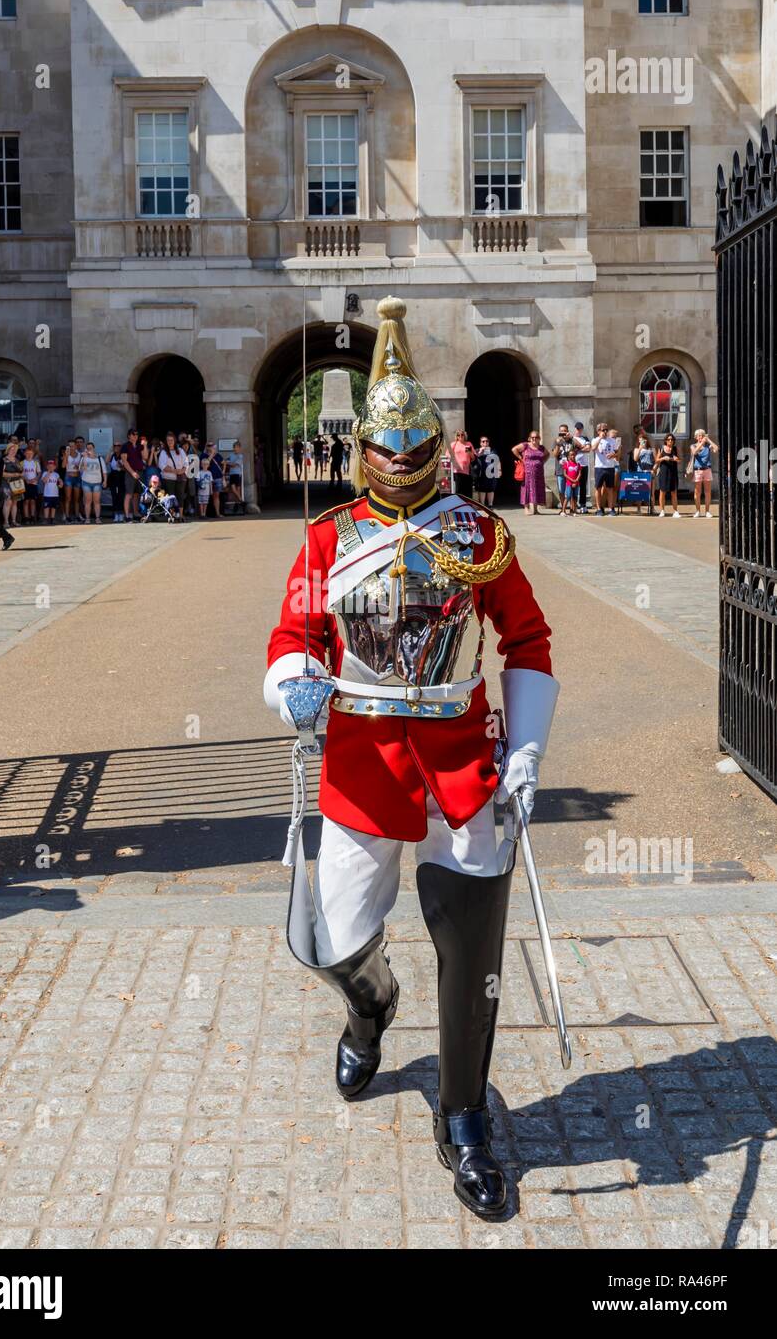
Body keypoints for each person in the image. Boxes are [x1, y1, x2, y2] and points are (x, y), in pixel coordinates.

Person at [265, 298, 559, 1221]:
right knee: (334, 940)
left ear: (437, 446)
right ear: (364, 451)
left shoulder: (479, 536)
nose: (398, 465)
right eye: (383, 450)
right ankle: (371, 1007)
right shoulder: (327, 536)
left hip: (464, 759)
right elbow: (292, 636)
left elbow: (529, 642)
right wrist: (293, 683)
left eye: (413, 448)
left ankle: (464, 1115)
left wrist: (529, 749)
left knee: (472, 950)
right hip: (361, 761)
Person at [512, 430, 549, 514]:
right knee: (527, 488)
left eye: (536, 437)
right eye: (532, 437)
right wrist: (521, 458)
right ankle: (526, 508)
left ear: (539, 439)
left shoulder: (541, 448)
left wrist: (542, 462)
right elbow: (514, 449)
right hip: (527, 471)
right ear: (529, 438)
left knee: (537, 488)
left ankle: (535, 509)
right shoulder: (526, 445)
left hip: (539, 472)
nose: (534, 439)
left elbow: (548, 454)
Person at [158, 431, 188, 520]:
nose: (170, 442)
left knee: (180, 496)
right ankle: (172, 515)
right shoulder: (164, 452)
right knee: (170, 497)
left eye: (171, 440)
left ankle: (181, 515)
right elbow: (162, 465)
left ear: (174, 441)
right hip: (168, 478)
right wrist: (174, 471)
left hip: (180, 477)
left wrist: (182, 470)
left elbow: (186, 462)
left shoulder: (181, 451)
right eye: (168, 440)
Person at [591, 423, 619, 516]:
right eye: (603, 430)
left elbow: (617, 452)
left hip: (610, 467)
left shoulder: (612, 440)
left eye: (606, 430)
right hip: (599, 467)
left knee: (610, 488)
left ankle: (611, 508)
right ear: (598, 431)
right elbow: (593, 448)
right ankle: (599, 508)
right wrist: (600, 438)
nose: (605, 432)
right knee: (598, 488)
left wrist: (613, 455)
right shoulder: (595, 440)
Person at [689, 428, 718, 517]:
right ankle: (698, 510)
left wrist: (708, 440)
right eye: (699, 436)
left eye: (702, 435)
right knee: (697, 491)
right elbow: (694, 452)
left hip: (707, 469)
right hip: (698, 470)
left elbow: (716, 449)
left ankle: (707, 511)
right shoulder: (693, 445)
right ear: (696, 437)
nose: (701, 437)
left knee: (707, 491)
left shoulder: (707, 446)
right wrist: (701, 443)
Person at [120, 429, 145, 522]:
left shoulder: (139, 446)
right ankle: (126, 515)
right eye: (133, 434)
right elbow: (124, 461)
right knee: (128, 494)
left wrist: (144, 445)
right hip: (130, 473)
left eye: (137, 434)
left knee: (137, 494)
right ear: (129, 436)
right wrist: (132, 472)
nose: (135, 436)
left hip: (140, 472)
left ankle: (135, 513)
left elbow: (145, 457)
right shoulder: (125, 446)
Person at [79, 441, 107, 523]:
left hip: (97, 482)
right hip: (86, 482)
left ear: (93, 448)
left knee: (97, 501)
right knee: (87, 501)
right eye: (87, 448)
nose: (89, 449)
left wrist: (105, 481)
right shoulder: (84, 458)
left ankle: (97, 518)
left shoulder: (99, 458)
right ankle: (87, 518)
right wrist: (84, 457)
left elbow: (104, 471)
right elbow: (81, 469)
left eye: (90, 448)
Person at [655, 433, 681, 517]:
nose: (670, 441)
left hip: (673, 472)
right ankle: (662, 510)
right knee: (662, 492)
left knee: (674, 492)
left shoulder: (675, 449)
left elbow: (679, 460)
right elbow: (657, 460)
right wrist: (663, 458)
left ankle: (675, 511)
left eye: (672, 439)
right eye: (669, 439)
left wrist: (676, 459)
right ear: (665, 440)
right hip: (664, 472)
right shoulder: (661, 448)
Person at [551, 424, 574, 512]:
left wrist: (572, 438)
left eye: (565, 431)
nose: (563, 433)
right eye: (561, 431)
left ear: (567, 431)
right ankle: (563, 509)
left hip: (570, 469)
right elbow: (555, 455)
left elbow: (579, 448)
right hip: (560, 469)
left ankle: (572, 508)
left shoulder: (571, 441)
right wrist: (558, 444)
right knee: (561, 490)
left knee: (571, 489)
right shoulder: (556, 441)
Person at [1, 439, 24, 528]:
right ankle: (6, 522)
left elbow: (21, 470)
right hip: (7, 482)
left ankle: (14, 521)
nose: (14, 450)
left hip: (17, 483)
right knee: (8, 502)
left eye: (15, 449)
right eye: (12, 449)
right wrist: (15, 474)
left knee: (15, 502)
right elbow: (1, 473)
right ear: (8, 450)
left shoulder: (17, 460)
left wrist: (21, 475)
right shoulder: (4, 460)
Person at [473, 436, 501, 507]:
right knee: (482, 489)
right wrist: (480, 452)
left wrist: (499, 470)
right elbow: (473, 458)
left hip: (491, 472)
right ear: (480, 443)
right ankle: (482, 505)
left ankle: (490, 505)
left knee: (491, 488)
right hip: (481, 472)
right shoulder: (477, 450)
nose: (485, 442)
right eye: (483, 441)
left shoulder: (493, 450)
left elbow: (497, 461)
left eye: (487, 441)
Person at [632, 431, 656, 509]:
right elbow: (635, 459)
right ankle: (639, 508)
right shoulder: (636, 449)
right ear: (638, 441)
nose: (642, 441)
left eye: (644, 439)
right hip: (640, 471)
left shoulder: (651, 449)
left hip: (649, 471)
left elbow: (656, 461)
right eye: (640, 439)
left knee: (651, 491)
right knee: (640, 490)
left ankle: (652, 508)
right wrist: (640, 449)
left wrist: (654, 469)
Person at [450, 429, 476, 496]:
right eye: (458, 435)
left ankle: (467, 505)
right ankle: (459, 504)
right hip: (457, 470)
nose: (460, 436)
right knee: (459, 490)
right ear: (456, 436)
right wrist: (455, 463)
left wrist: (470, 452)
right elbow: (448, 455)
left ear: (465, 436)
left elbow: (473, 458)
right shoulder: (454, 444)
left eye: (462, 435)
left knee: (467, 490)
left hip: (467, 471)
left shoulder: (468, 444)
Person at [572, 421, 590, 513]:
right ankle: (573, 505)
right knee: (574, 485)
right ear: (575, 429)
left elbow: (588, 449)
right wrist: (581, 448)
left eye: (580, 429)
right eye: (577, 429)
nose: (578, 431)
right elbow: (572, 450)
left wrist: (579, 448)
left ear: (582, 429)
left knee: (583, 485)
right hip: (574, 465)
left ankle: (582, 505)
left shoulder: (585, 438)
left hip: (584, 465)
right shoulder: (571, 439)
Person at [21, 443, 41, 523]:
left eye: (31, 453)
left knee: (33, 501)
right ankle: (26, 517)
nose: (29, 455)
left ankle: (32, 516)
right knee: (26, 501)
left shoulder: (35, 463)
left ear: (33, 454)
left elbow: (39, 473)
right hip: (25, 484)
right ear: (25, 454)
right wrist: (26, 479)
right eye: (27, 453)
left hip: (33, 484)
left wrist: (35, 478)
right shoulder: (22, 463)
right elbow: (21, 474)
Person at [63, 439, 82, 522]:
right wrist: (66, 456)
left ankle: (77, 515)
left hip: (77, 476)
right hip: (69, 477)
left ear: (75, 446)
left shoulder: (79, 454)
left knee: (77, 499)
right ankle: (67, 516)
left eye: (73, 446)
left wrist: (78, 467)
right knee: (68, 498)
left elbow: (82, 466)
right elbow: (63, 466)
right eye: (69, 446)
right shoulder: (66, 454)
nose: (71, 447)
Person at [205, 442, 225, 517]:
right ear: (206, 447)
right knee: (206, 496)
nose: (211, 447)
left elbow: (224, 462)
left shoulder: (218, 455)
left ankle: (217, 513)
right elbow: (206, 464)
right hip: (207, 479)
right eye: (209, 446)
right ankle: (204, 514)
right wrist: (211, 455)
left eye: (212, 445)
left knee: (216, 496)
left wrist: (223, 471)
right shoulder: (204, 455)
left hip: (217, 478)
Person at [40, 459, 62, 523]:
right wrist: (48, 473)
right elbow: (44, 481)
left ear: (55, 467)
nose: (51, 467)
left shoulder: (56, 474)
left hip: (55, 494)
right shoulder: (45, 473)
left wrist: (61, 483)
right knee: (46, 507)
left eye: (52, 466)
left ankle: (52, 519)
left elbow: (60, 481)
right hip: (47, 494)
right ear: (47, 467)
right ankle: (46, 519)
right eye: (49, 466)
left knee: (53, 507)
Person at [108, 443, 125, 522]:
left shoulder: (123, 455)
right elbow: (106, 461)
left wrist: (121, 466)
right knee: (114, 496)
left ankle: (121, 514)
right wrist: (110, 451)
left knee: (121, 496)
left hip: (121, 477)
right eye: (115, 446)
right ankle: (115, 514)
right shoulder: (112, 455)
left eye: (118, 445)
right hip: (113, 477)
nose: (116, 447)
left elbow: (126, 468)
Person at [227, 440, 245, 508]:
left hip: (237, 474)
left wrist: (229, 463)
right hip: (232, 474)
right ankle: (241, 501)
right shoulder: (231, 455)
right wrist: (229, 463)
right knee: (233, 489)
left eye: (237, 447)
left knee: (238, 490)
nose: (235, 449)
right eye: (234, 447)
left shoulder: (240, 456)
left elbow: (234, 465)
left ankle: (237, 505)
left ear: (239, 448)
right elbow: (226, 461)